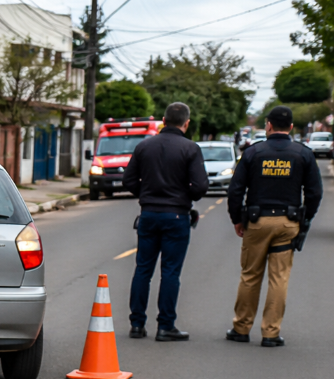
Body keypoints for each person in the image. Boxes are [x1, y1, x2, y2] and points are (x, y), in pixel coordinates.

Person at [225, 106, 323, 347]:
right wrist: (305, 219)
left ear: (268, 125)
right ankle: (270, 332)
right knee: (279, 278)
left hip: (257, 223)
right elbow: (314, 193)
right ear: (290, 127)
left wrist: (237, 219)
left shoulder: (252, 153)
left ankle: (241, 328)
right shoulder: (303, 154)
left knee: (250, 276)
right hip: (288, 222)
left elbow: (236, 190)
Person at [122, 102, 209, 341]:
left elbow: (128, 180)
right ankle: (165, 326)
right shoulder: (190, 148)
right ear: (186, 123)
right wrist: (182, 196)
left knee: (143, 269)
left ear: (163, 119)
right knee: (170, 271)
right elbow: (201, 186)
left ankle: (137, 324)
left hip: (148, 214)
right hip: (177, 215)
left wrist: (146, 194)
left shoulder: (144, 146)